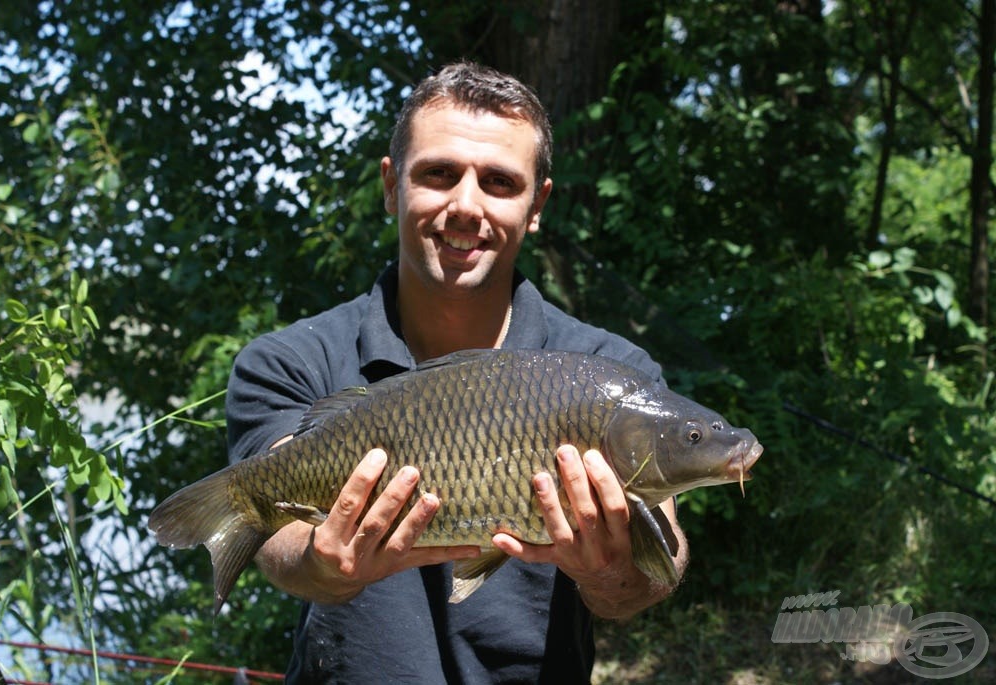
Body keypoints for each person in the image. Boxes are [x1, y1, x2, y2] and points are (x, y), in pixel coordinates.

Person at [225, 61, 688, 684]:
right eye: (439, 174)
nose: (466, 206)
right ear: (392, 187)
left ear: (536, 205)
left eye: (499, 182)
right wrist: (321, 563)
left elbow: (658, 567)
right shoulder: (289, 359)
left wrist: (611, 573)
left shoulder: (608, 373)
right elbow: (275, 539)